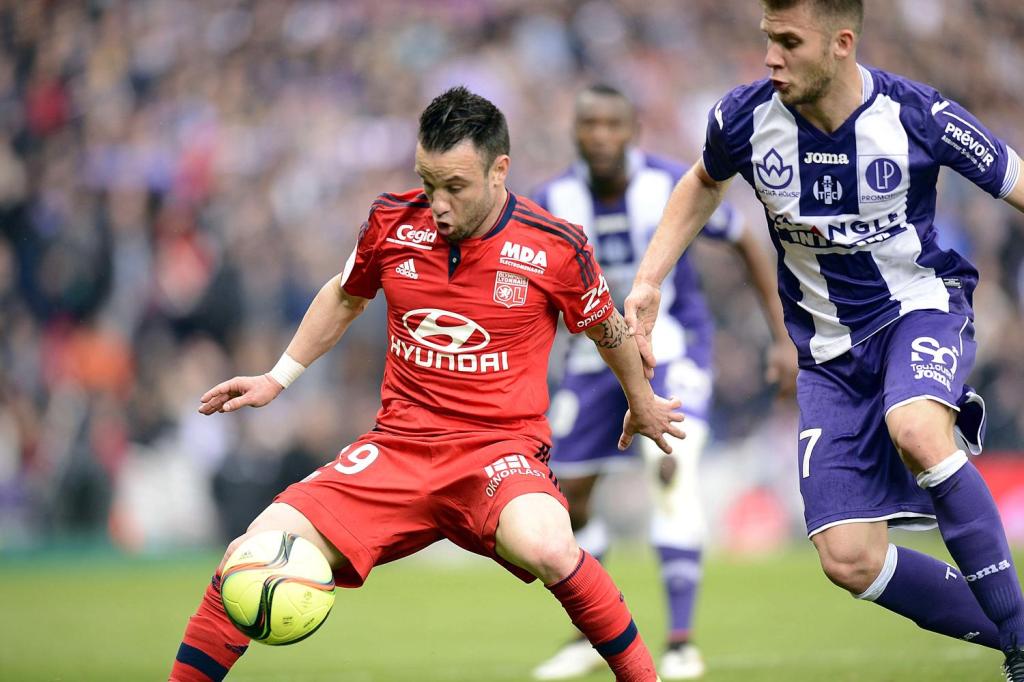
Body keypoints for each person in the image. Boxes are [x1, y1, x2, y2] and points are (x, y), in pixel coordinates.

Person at [169, 86, 686, 682]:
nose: (437, 203)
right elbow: (345, 294)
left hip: (500, 452)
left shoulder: (555, 246)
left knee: (550, 546)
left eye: (455, 187)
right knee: (251, 551)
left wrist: (642, 402)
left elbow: (609, 330)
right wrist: (278, 378)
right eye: (428, 182)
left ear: (500, 171)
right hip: (397, 448)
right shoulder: (393, 221)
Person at [623, 0, 1024, 678]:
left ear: (841, 42)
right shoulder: (744, 118)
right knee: (849, 559)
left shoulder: (919, 116)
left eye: (788, 42)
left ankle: (1016, 639)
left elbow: (1016, 179)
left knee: (918, 428)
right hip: (829, 360)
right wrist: (649, 279)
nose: (771, 57)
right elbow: (701, 182)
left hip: (918, 312)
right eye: (766, 40)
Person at [530, 84, 796, 681]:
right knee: (567, 499)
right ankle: (587, 633)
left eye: (611, 124)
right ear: (575, 131)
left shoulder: (670, 185)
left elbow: (746, 239)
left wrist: (781, 339)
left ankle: (679, 644)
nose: (599, 135)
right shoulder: (552, 200)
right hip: (589, 362)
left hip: (672, 349)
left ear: (632, 131)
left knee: (670, 470)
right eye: (588, 124)